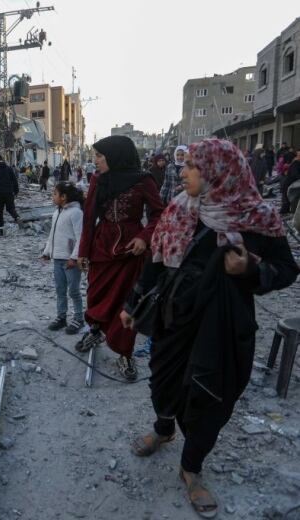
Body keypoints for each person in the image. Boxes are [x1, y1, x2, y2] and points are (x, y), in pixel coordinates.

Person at [121, 138, 297, 518]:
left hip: (222, 323)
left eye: (191, 167)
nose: (182, 172)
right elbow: (156, 260)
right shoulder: (179, 209)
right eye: (183, 165)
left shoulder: (255, 216)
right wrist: (133, 304)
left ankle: (191, 467)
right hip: (173, 315)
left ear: (219, 171)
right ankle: (164, 427)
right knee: (162, 379)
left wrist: (252, 270)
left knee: (209, 393)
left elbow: (287, 269)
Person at [75, 135, 165, 381]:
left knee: (127, 302)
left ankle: (125, 353)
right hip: (101, 248)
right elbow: (89, 217)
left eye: (100, 156)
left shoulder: (144, 180)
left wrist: (144, 238)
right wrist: (83, 252)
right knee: (96, 295)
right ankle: (95, 330)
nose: (96, 161)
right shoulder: (97, 180)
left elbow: (159, 214)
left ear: (116, 157)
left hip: (130, 251)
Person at [42, 182, 85, 334]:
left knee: (73, 291)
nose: (52, 196)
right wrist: (47, 252)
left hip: (70, 261)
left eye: (54, 193)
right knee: (60, 290)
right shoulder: (57, 212)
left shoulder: (76, 213)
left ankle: (79, 318)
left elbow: (81, 237)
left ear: (64, 197)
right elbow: (52, 235)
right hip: (58, 259)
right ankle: (61, 317)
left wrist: (74, 257)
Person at [0, 153, 21, 236]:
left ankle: (1, 230)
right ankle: (17, 217)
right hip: (9, 193)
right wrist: (16, 191)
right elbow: (14, 180)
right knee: (11, 208)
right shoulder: (9, 168)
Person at [280, 150, 300, 214]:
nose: (298, 156)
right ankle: (283, 213)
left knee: (289, 199)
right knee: (286, 199)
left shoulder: (296, 163)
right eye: (298, 155)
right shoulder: (296, 163)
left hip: (291, 184)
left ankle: (287, 211)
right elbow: (295, 174)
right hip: (289, 184)